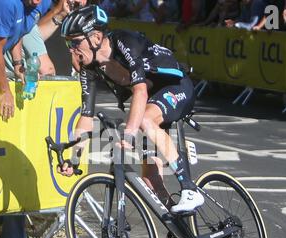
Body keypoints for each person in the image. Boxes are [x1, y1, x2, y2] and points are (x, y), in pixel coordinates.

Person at [58, 5, 205, 213]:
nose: (71, 49)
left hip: (176, 87)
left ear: (96, 37)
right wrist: (74, 158)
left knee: (144, 120)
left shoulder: (124, 42)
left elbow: (140, 91)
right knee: (150, 182)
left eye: (75, 42)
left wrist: (129, 134)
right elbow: (86, 117)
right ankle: (183, 234)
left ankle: (190, 189)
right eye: (67, 43)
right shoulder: (89, 69)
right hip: (152, 102)